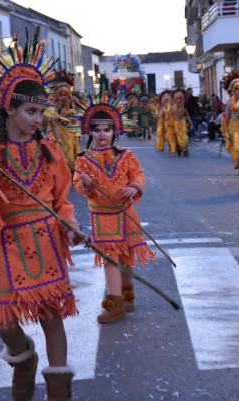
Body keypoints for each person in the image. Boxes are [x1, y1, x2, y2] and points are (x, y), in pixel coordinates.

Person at [0, 31, 88, 401]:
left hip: (47, 239)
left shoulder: (49, 150)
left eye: (40, 111)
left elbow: (62, 198)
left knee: (52, 317)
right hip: (8, 243)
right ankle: (23, 360)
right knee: (5, 321)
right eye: (31, 111)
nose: (38, 119)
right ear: (9, 110)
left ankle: (58, 393)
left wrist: (71, 226)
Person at [72, 93, 155, 323]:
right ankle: (116, 303)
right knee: (110, 258)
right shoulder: (83, 160)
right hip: (103, 217)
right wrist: (85, 185)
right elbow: (77, 184)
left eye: (106, 130)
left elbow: (138, 174)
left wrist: (135, 186)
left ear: (114, 132)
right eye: (96, 130)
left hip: (127, 212)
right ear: (89, 132)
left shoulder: (126, 156)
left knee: (127, 257)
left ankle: (128, 294)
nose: (101, 135)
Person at [47, 70, 79, 172]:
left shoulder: (72, 105)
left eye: (65, 94)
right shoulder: (53, 106)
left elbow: (75, 119)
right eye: (61, 94)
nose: (63, 97)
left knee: (69, 147)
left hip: (68, 132)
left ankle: (68, 167)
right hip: (56, 132)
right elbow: (50, 118)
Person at [170, 89, 191, 157]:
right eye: (177, 98)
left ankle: (185, 149)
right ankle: (179, 147)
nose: (179, 100)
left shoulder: (183, 106)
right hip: (176, 123)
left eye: (180, 98)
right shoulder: (173, 107)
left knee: (184, 136)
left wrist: (191, 122)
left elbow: (186, 115)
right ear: (175, 99)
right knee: (177, 137)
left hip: (183, 123)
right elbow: (171, 116)